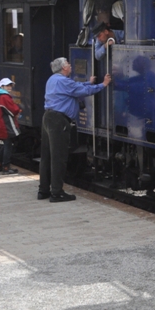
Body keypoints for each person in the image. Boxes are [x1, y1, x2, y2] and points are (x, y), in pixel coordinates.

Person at [39, 57, 111, 202]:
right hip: (59, 121)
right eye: (68, 63)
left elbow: (74, 86)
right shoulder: (63, 81)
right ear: (64, 67)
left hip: (48, 118)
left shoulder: (53, 79)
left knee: (46, 157)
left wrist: (88, 81)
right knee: (58, 158)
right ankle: (57, 193)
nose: (71, 65)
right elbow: (82, 91)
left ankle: (43, 190)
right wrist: (103, 85)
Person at [0, 77, 21, 175]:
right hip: (5, 125)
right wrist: (18, 111)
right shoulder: (4, 97)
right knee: (8, 145)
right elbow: (13, 109)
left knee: (6, 144)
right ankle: (6, 167)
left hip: (0, 125)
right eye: (7, 85)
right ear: (2, 86)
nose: (9, 87)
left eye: (10, 85)